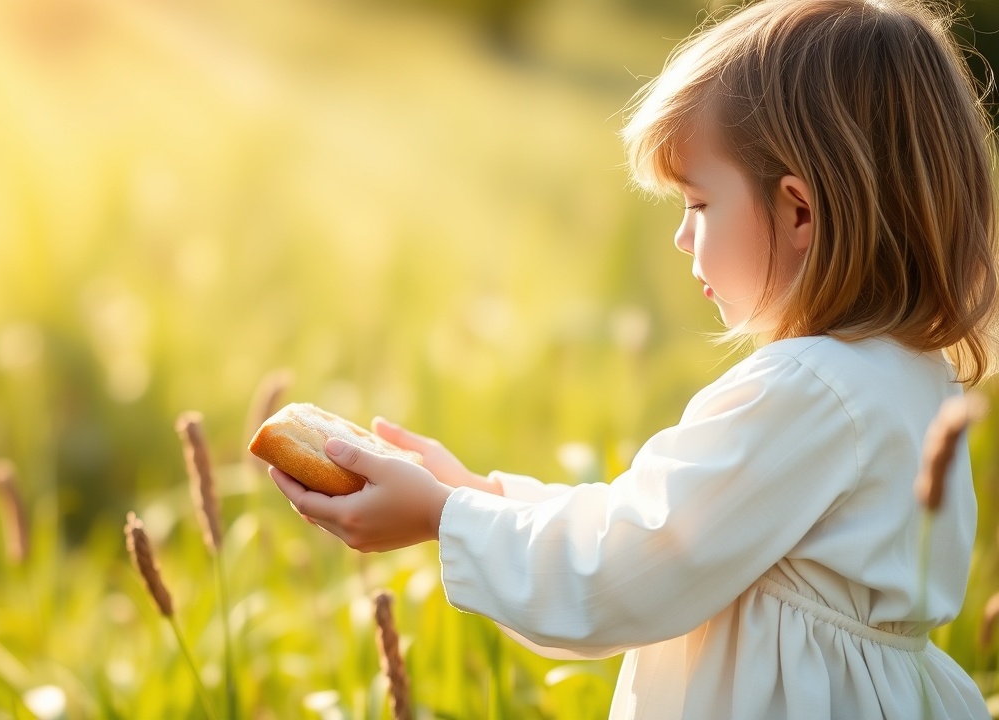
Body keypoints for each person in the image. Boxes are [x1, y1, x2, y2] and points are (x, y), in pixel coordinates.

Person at [270, 0, 999, 717]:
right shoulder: (913, 382)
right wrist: (479, 497)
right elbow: (653, 529)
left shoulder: (806, 389)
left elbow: (623, 572)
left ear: (799, 211)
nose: (682, 238)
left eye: (699, 204)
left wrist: (443, 517)